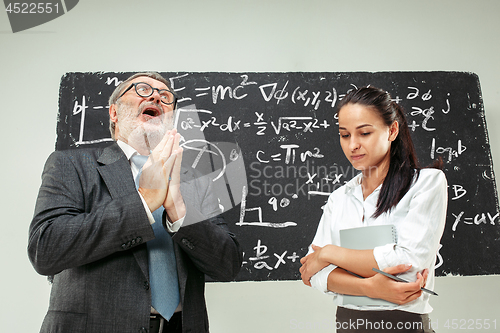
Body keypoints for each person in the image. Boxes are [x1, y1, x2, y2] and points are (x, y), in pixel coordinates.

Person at [28, 72, 243, 333]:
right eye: (142, 89)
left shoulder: (195, 180)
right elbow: (45, 249)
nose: (155, 96)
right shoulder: (71, 164)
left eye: (166, 96)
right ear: (114, 112)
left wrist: (178, 211)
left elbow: (228, 265)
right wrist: (143, 201)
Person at [299, 86, 447, 332]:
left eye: (364, 133)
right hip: (347, 325)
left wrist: (329, 254)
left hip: (404, 325)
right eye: (345, 135)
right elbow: (311, 274)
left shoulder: (426, 183)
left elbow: (408, 264)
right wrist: (370, 287)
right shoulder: (339, 199)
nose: (353, 145)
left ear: (392, 130)